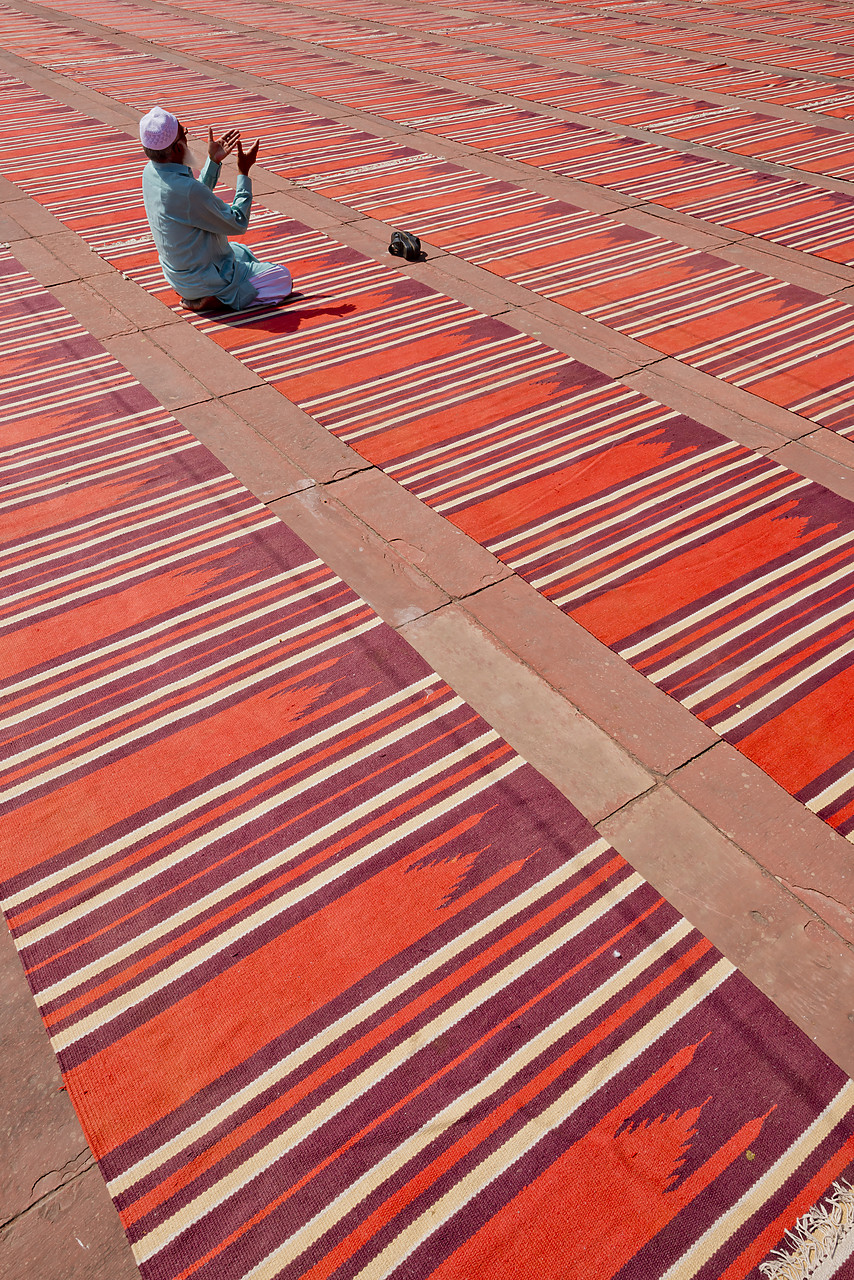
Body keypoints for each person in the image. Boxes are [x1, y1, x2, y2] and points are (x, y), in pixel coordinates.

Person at [139, 105, 293, 312]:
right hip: (203, 280)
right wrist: (243, 172)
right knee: (281, 277)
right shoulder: (186, 190)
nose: (187, 138)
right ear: (177, 148)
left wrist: (213, 162)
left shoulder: (151, 172)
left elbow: (193, 200)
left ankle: (207, 291)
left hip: (179, 277)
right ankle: (220, 298)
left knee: (241, 251)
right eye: (184, 133)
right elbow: (237, 223)